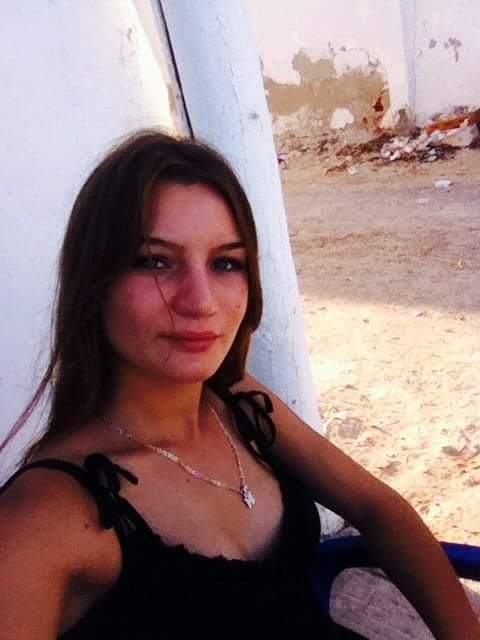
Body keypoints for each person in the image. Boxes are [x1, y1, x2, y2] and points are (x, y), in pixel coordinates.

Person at [0, 130, 478, 640]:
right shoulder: (47, 515)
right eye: (155, 261)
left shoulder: (237, 403)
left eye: (226, 262)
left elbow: (376, 507)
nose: (200, 301)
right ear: (94, 282)